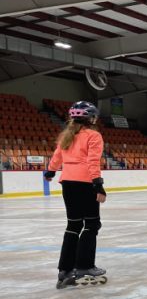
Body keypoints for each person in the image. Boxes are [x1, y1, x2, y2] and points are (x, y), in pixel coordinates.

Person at [43, 101, 108, 289]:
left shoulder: (66, 135)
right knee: (92, 224)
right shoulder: (93, 135)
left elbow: (57, 156)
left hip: (68, 183)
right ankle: (84, 266)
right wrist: (98, 185)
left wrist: (50, 171)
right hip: (85, 183)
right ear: (91, 118)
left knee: (73, 225)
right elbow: (92, 161)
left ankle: (65, 269)